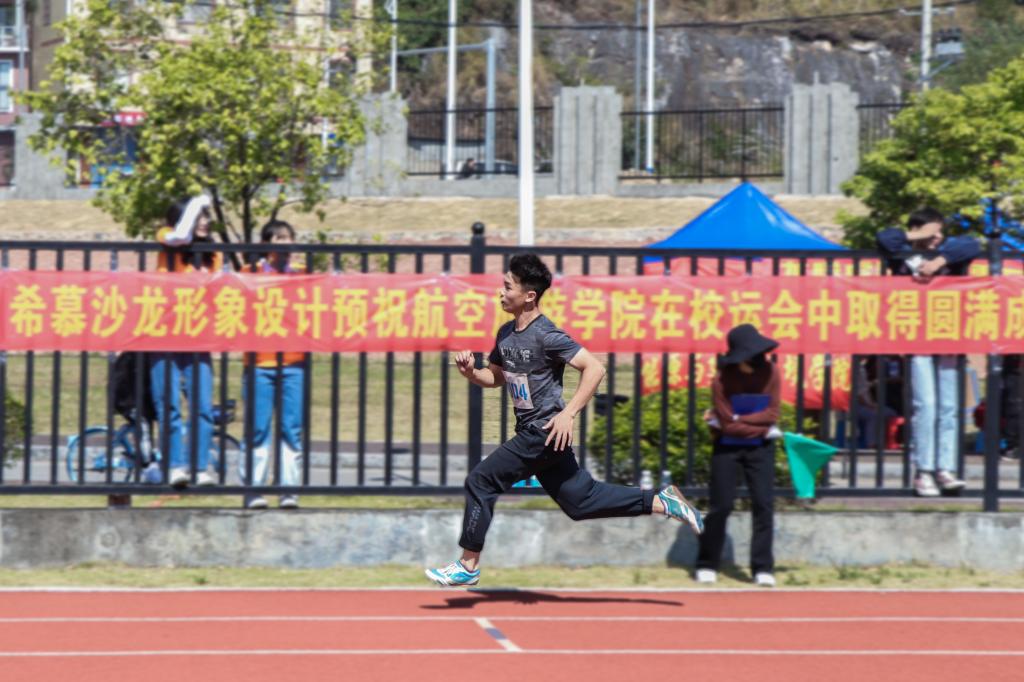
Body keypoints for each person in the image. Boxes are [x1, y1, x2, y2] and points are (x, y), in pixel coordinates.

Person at [425, 253, 704, 587]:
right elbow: (495, 377)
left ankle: (468, 565)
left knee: (481, 481)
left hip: (542, 431)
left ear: (529, 295)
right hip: (538, 435)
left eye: (508, 287)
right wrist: (471, 373)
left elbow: (594, 368)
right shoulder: (506, 333)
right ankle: (661, 501)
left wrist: (568, 414)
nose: (501, 292)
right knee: (581, 501)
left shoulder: (547, 335)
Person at [877, 208, 980, 496]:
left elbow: (972, 244)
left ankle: (945, 469)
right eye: (932, 232)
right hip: (916, 338)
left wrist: (938, 262)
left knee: (949, 407)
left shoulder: (951, 252)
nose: (937, 237)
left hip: (948, 336)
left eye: (939, 231)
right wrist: (916, 236)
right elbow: (885, 238)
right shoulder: (901, 253)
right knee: (927, 405)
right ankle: (923, 471)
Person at [697, 323, 782, 588]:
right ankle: (707, 563)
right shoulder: (722, 379)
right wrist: (757, 425)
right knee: (720, 506)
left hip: (761, 448)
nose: (754, 360)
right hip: (726, 446)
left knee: (763, 505)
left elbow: (772, 414)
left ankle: (762, 567)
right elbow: (726, 425)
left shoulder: (771, 372)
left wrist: (740, 419)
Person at [152, 195, 223, 489]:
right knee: (168, 405)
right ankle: (173, 466)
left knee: (202, 406)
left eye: (206, 216)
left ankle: (199, 466)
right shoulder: (166, 237)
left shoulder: (213, 254)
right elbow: (180, 237)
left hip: (198, 337)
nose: (204, 222)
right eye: (199, 217)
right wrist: (196, 203)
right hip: (163, 335)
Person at [239, 220, 305, 510]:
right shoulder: (249, 273)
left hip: (293, 362)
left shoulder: (302, 274)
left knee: (292, 427)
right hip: (259, 362)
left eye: (289, 238)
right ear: (267, 244)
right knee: (258, 428)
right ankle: (253, 489)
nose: (285, 244)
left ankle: (288, 490)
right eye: (279, 238)